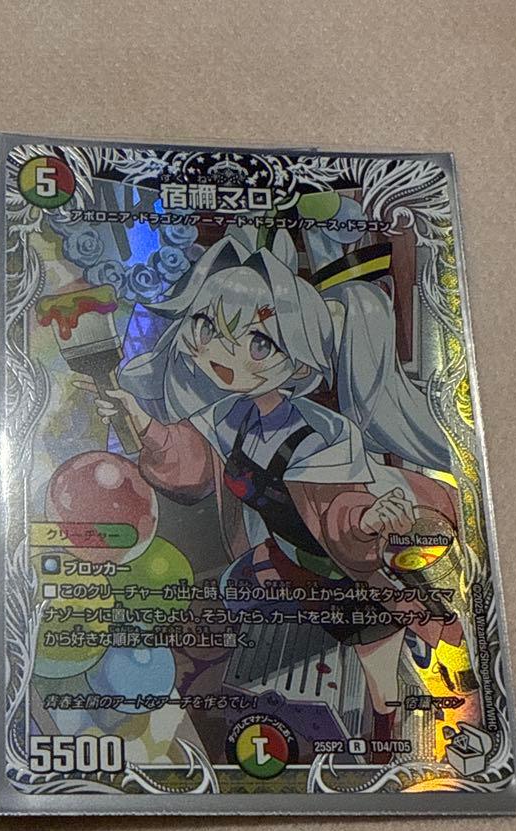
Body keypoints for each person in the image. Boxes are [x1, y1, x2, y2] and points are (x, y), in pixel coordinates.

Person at [75, 226, 464, 762]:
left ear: (300, 364)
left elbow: (339, 508)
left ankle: (405, 754)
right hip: (281, 564)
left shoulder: (323, 435)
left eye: (259, 343)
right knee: (279, 664)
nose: (222, 352)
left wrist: (370, 520)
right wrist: (141, 421)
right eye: (208, 327)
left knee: (384, 689)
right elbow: (194, 464)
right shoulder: (230, 414)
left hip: (344, 575)